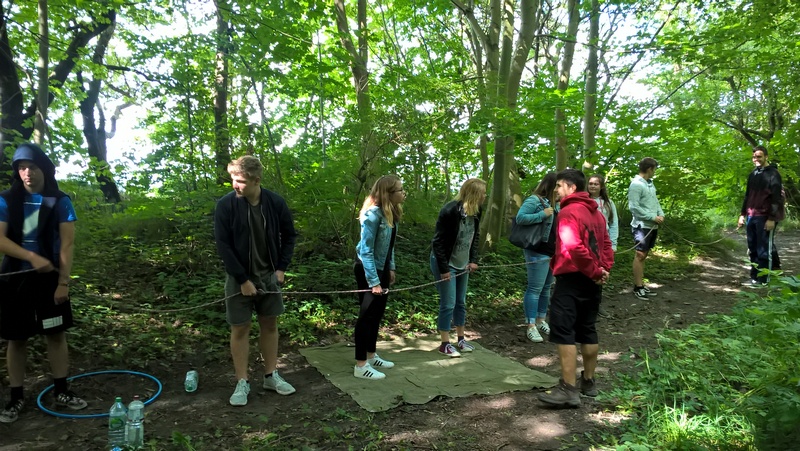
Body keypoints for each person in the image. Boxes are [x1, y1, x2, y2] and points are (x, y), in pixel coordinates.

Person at [0, 143, 88, 424]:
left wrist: (63, 283)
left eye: (32, 167)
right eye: (22, 168)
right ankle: (16, 397)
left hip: (50, 279)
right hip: (14, 278)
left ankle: (62, 390)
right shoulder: (6, 200)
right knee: (16, 338)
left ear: (44, 170)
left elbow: (67, 243)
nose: (27, 173)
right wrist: (30, 257)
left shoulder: (59, 200)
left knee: (56, 333)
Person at [214, 155, 297, 406]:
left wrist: (281, 269)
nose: (235, 185)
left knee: (269, 324)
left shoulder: (275, 202)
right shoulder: (226, 205)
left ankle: (271, 376)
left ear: (256, 180)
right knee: (240, 327)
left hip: (269, 276)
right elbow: (223, 245)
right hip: (238, 277)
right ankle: (242, 381)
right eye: (233, 179)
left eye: (240, 181)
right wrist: (242, 279)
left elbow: (289, 236)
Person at [537, 169, 613, 408]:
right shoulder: (596, 212)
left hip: (572, 278)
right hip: (593, 279)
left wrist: (596, 271)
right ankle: (588, 382)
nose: (556, 190)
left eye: (559, 186)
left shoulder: (569, 211)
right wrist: (602, 270)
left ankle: (568, 389)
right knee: (588, 328)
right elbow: (607, 245)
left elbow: (574, 247)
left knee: (564, 330)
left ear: (571, 187)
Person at [353, 175, 405, 380]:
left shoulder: (390, 213)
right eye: (400, 190)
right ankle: (360, 365)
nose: (403, 193)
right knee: (366, 316)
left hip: (381, 269)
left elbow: (389, 246)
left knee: (377, 314)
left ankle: (371, 355)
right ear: (388, 193)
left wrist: (390, 268)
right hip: (367, 270)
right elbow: (366, 250)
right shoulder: (372, 215)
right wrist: (373, 281)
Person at [431, 178, 486, 357]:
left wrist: (473, 259)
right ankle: (444, 343)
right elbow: (437, 243)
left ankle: (461, 339)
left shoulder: (477, 211)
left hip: (463, 264)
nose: (485, 196)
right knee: (448, 303)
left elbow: (474, 236)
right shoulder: (449, 211)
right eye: (483, 193)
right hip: (446, 263)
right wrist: (444, 269)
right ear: (474, 194)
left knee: (460, 302)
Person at [516, 172, 557, 343]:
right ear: (552, 186)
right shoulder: (534, 200)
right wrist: (542, 214)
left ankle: (541, 320)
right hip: (537, 251)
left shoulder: (558, 204)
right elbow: (520, 218)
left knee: (546, 288)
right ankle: (531, 325)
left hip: (552, 252)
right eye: (558, 185)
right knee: (534, 289)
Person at [738, 145, 784, 286]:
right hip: (751, 216)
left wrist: (771, 218)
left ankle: (764, 280)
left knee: (764, 249)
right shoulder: (753, 174)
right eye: (754, 157)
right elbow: (747, 196)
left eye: (759, 156)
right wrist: (742, 214)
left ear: (766, 157)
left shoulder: (773, 174)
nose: (756, 159)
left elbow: (776, 198)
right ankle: (754, 277)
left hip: (765, 217)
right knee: (753, 248)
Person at [627, 157, 664, 300]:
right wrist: (652, 217)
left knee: (644, 255)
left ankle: (641, 285)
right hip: (641, 226)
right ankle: (638, 287)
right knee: (640, 255)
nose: (655, 172)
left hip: (651, 225)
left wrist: (660, 214)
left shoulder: (650, 184)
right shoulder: (636, 184)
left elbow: (655, 201)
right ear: (649, 169)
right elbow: (634, 207)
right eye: (654, 169)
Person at [588, 175, 618, 251]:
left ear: (601, 186)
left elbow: (613, 223)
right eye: (590, 184)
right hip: (588, 238)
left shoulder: (608, 203)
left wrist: (613, 244)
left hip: (604, 238)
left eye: (596, 184)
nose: (593, 186)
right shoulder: (584, 201)